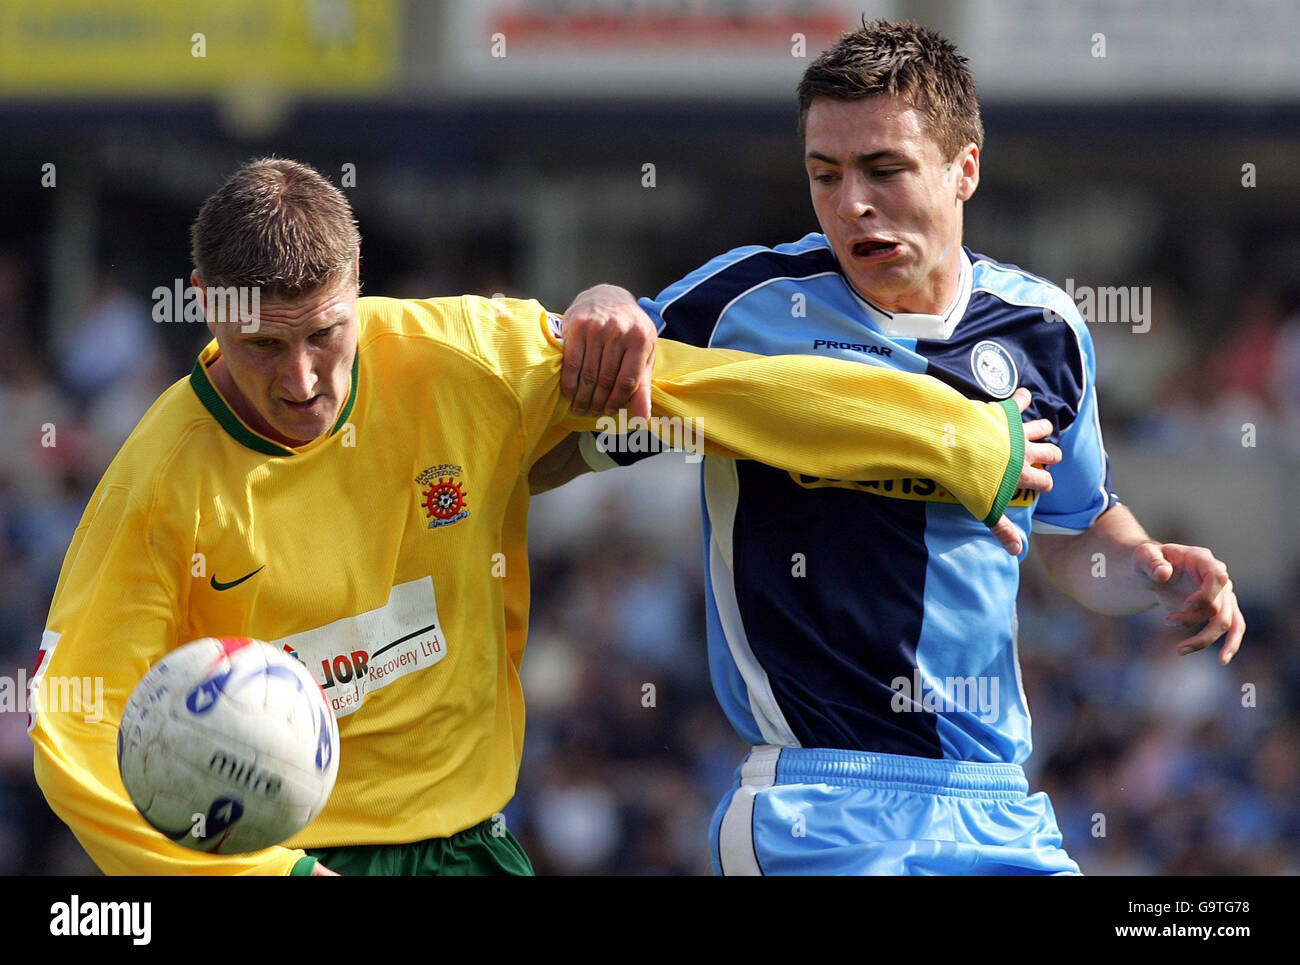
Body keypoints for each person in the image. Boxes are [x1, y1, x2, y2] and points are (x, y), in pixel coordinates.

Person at [28, 157, 1060, 876]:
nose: (302, 380)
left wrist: (961, 441)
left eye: (326, 335)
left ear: (357, 290)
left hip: (464, 843)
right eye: (264, 346)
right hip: (279, 855)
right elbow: (72, 730)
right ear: (205, 300)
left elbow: (716, 391)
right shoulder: (158, 481)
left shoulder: (460, 358)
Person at [536, 19, 1245, 875]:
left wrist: (1153, 573)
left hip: (996, 803)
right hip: (816, 804)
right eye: (824, 175)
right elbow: (604, 361)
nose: (850, 204)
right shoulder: (746, 310)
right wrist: (600, 296)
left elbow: (1076, 533)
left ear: (965, 168)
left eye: (883, 169)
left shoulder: (1045, 328)